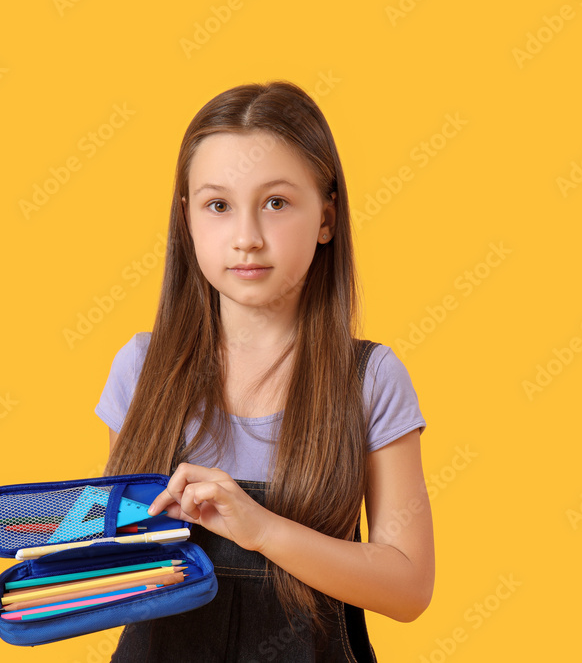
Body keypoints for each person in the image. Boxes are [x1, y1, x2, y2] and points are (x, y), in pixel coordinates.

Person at [94, 80, 434, 662]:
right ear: (188, 221)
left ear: (326, 218)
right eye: (218, 206)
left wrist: (260, 529)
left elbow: (408, 586)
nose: (247, 238)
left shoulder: (369, 378)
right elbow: (120, 565)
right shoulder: (142, 368)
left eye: (276, 203)